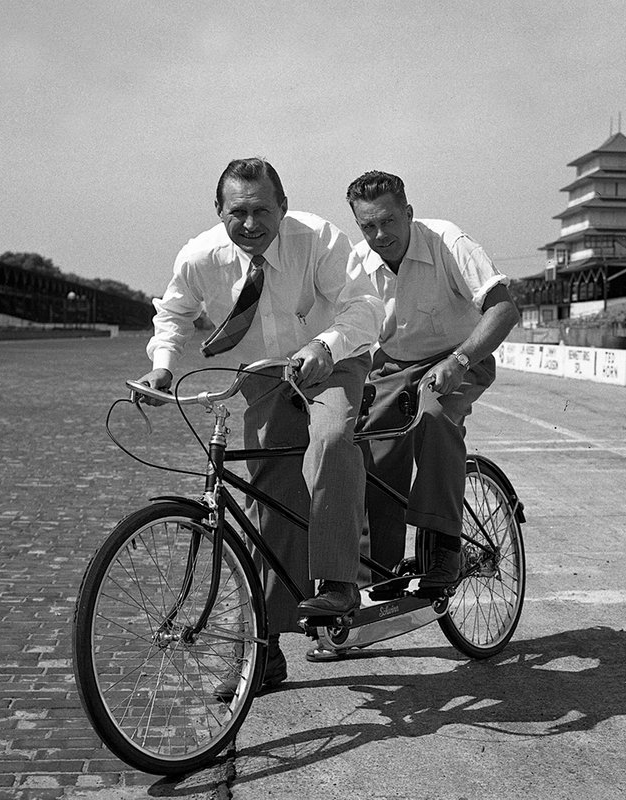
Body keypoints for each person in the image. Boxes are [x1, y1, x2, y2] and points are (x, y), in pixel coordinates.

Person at [139, 158, 384, 693]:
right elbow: (174, 316)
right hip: (263, 375)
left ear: (284, 207)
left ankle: (340, 582)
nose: (251, 224)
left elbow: (364, 306)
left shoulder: (317, 237)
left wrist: (325, 347)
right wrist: (162, 367)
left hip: (333, 357)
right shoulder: (200, 256)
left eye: (262, 211)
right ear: (220, 212)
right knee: (267, 501)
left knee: (333, 436)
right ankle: (265, 651)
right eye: (239, 212)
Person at [345, 170, 520, 593]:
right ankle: (376, 580)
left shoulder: (449, 242)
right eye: (368, 225)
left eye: (389, 220)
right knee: (368, 451)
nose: (380, 234)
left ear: (408, 213)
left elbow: (504, 309)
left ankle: (444, 547)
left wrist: (459, 361)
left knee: (434, 416)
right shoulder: (356, 262)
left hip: (459, 357)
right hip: (392, 366)